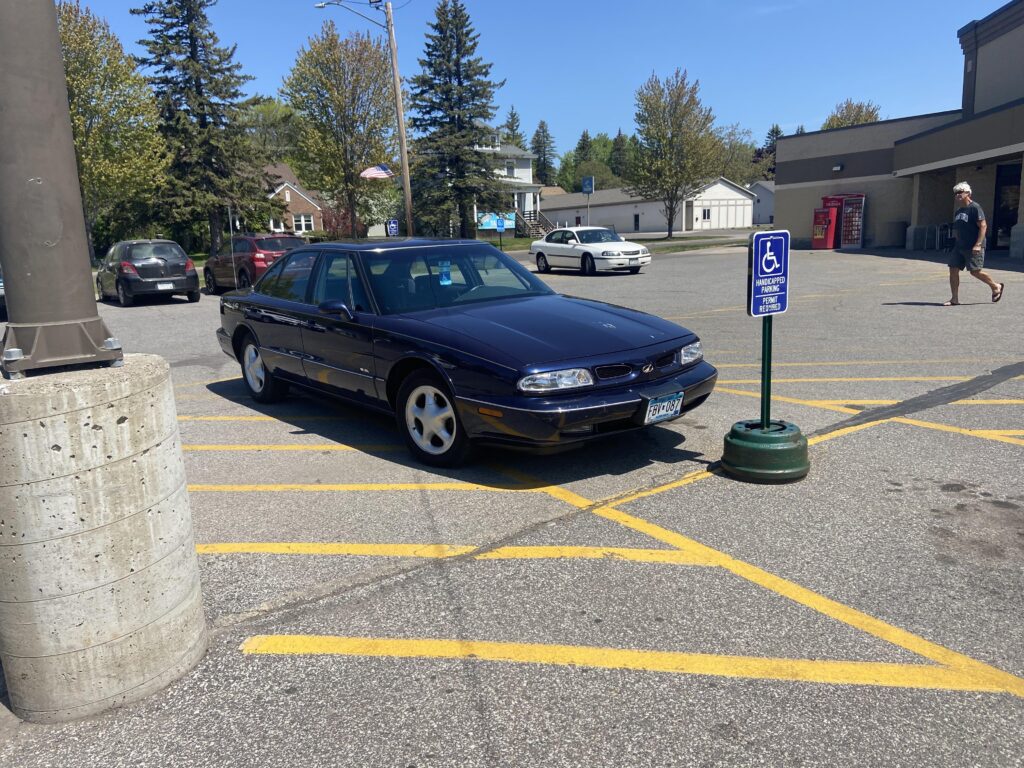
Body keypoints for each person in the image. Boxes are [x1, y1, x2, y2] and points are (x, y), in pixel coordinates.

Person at [945, 181, 1004, 306]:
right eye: (956, 193)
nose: (957, 195)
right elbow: (959, 229)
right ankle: (954, 298)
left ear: (968, 193)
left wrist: (978, 244)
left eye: (960, 192)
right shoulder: (959, 211)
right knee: (953, 270)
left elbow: (983, 226)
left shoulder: (975, 208)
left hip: (973, 246)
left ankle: (996, 286)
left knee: (975, 271)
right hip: (959, 246)